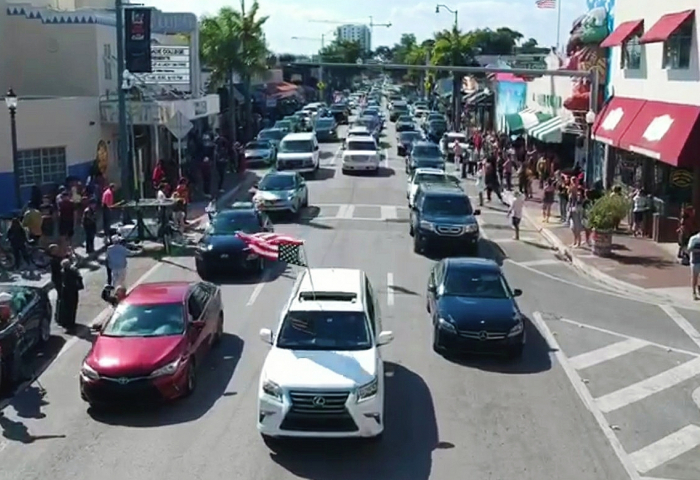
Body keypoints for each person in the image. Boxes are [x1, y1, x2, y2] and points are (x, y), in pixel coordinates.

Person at [57, 259, 83, 330]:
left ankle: (66, 322)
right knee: (72, 307)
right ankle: (71, 322)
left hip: (66, 291)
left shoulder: (63, 271)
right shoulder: (73, 271)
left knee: (66, 307)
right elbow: (79, 277)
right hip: (72, 291)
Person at [687, 229, 700, 300]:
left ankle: (698, 289)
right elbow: (689, 249)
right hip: (695, 261)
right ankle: (694, 292)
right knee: (695, 277)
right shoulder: (694, 239)